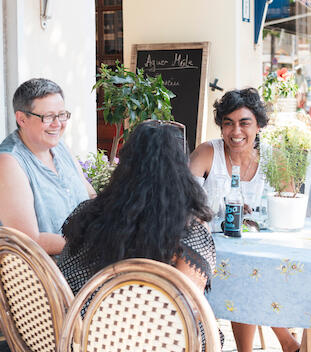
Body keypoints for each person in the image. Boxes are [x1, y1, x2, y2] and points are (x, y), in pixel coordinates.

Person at [57, 120, 222, 349]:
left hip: (75, 333)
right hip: (142, 340)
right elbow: (189, 308)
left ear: (126, 164)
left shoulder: (88, 213)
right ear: (181, 170)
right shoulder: (189, 233)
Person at [189, 88, 300, 352]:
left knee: (255, 270)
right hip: (209, 248)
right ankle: (287, 343)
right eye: (228, 123)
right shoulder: (208, 153)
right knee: (246, 273)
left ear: (259, 125)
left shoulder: (273, 158)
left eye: (244, 123)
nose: (236, 131)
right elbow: (183, 200)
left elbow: (289, 201)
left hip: (256, 249)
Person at [0, 78, 96, 255]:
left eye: (61, 115)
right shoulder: (9, 162)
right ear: (22, 118)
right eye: (48, 117)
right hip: (47, 275)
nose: (57, 124)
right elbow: (28, 239)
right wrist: (92, 243)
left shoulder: (59, 147)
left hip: (84, 260)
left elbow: (89, 194)